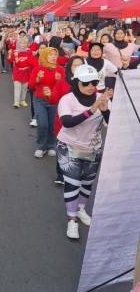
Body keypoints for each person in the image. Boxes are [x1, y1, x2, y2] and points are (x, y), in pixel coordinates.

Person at [56, 65, 112, 239]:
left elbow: (111, 122)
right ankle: (71, 220)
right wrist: (92, 109)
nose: (90, 86)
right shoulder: (67, 99)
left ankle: (81, 209)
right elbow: (67, 122)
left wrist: (104, 109)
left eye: (94, 82)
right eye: (86, 83)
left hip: (93, 147)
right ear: (76, 83)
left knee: (87, 182)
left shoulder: (101, 98)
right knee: (73, 182)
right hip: (68, 146)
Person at [48, 56, 85, 185]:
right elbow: (53, 100)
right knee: (62, 149)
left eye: (81, 65)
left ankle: (76, 173)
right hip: (63, 123)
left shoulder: (90, 82)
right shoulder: (62, 82)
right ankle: (60, 174)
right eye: (75, 65)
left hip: (82, 124)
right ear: (69, 67)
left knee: (77, 150)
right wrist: (49, 94)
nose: (78, 68)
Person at [28, 47, 65, 158]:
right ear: (44, 56)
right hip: (40, 99)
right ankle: (41, 147)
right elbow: (30, 86)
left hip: (54, 100)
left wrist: (59, 80)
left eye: (55, 54)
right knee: (43, 124)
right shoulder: (38, 69)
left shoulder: (60, 70)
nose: (53, 57)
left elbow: (62, 88)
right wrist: (38, 79)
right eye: (50, 55)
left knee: (52, 125)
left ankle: (51, 146)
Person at [9, 35, 33, 108]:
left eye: (24, 43)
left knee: (24, 88)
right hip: (17, 72)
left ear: (27, 44)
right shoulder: (15, 52)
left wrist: (27, 67)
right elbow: (10, 60)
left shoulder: (29, 51)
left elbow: (31, 61)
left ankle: (22, 100)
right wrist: (10, 54)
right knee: (17, 87)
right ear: (18, 44)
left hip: (26, 72)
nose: (23, 45)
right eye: (21, 43)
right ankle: (16, 102)